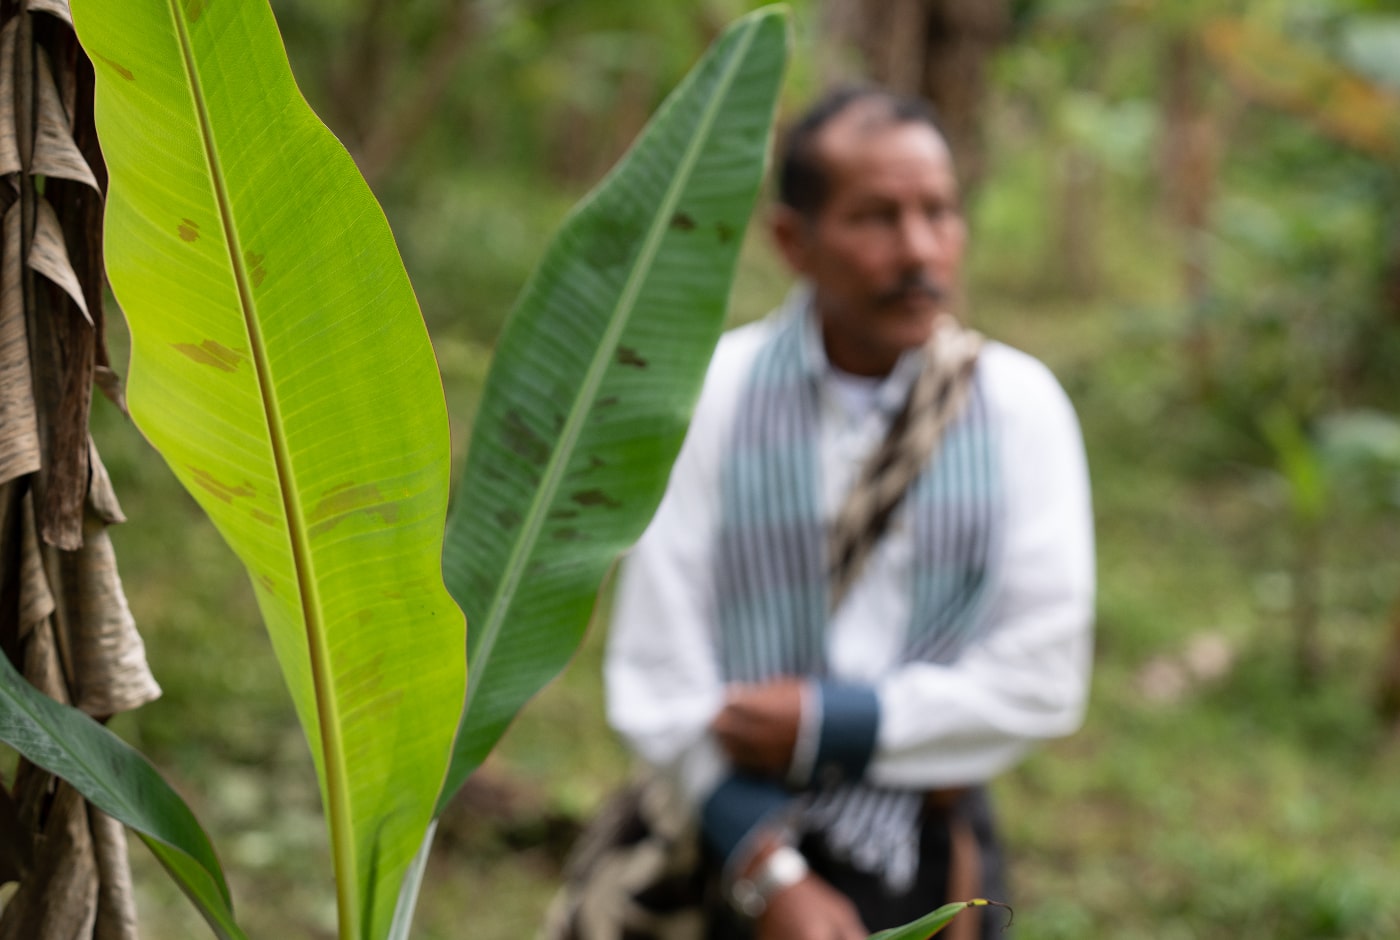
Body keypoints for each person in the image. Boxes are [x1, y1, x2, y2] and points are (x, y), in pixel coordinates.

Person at [597, 86, 1095, 940]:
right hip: (725, 829)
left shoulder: (1018, 408)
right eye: (875, 218)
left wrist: (828, 725)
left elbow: (1041, 679)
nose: (919, 250)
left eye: (938, 212)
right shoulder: (710, 397)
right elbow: (657, 674)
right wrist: (770, 873)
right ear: (794, 240)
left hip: (929, 850)